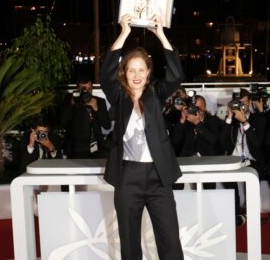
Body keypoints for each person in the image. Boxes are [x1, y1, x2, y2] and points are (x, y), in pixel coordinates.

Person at [100, 14, 184, 260]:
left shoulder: (157, 93)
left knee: (170, 240)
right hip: (127, 177)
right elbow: (105, 75)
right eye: (131, 70)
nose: (136, 75)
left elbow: (176, 75)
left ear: (149, 72)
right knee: (129, 243)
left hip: (159, 176)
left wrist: (160, 34)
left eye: (141, 69)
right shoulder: (117, 95)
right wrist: (124, 32)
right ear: (124, 73)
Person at [220, 88, 266, 225]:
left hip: (252, 159)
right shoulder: (231, 120)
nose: (241, 106)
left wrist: (245, 122)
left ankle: (251, 213)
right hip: (233, 160)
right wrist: (229, 118)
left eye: (244, 103)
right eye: (238, 103)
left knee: (251, 176)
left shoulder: (259, 119)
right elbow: (222, 143)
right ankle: (235, 214)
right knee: (228, 178)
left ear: (250, 102)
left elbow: (257, 144)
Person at [171, 94, 221, 189]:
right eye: (194, 107)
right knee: (178, 187)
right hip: (186, 161)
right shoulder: (185, 121)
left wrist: (198, 123)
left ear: (205, 108)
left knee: (209, 189)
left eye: (199, 108)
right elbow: (175, 140)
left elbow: (213, 139)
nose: (196, 110)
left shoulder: (213, 120)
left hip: (207, 161)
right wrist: (182, 120)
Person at [59, 79, 112, 158]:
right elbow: (62, 122)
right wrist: (71, 104)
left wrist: (96, 108)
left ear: (92, 88)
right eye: (83, 89)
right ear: (78, 89)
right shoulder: (71, 101)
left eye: (89, 89)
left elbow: (107, 125)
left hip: (95, 148)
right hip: (74, 149)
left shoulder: (99, 101)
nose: (86, 92)